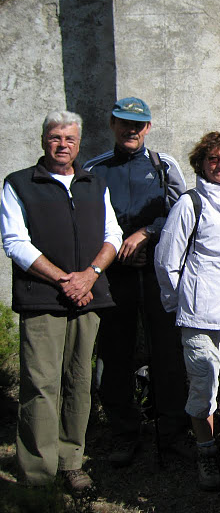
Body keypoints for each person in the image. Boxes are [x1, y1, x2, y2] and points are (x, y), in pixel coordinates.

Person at [1, 111, 122, 492]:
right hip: (43, 300)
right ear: (43, 140)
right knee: (41, 384)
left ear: (79, 142)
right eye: (55, 137)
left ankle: (71, 460)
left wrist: (90, 276)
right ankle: (38, 471)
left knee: (79, 381)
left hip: (88, 297)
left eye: (69, 138)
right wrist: (63, 279)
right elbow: (15, 242)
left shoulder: (93, 183)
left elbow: (113, 235)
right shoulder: (20, 183)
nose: (62, 145)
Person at [84, 97, 189, 466]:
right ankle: (124, 432)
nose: (131, 130)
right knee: (115, 354)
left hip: (157, 274)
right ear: (113, 124)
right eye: (124, 123)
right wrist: (114, 250)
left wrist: (148, 233)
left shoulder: (163, 165)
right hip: (113, 276)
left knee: (167, 353)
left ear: (147, 128)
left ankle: (172, 430)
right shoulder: (94, 168)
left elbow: (180, 211)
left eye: (138, 124)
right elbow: (85, 219)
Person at [154, 130, 220, 491]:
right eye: (213, 159)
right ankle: (205, 453)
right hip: (200, 314)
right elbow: (167, 261)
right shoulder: (190, 204)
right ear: (201, 162)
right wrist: (179, 304)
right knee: (203, 387)